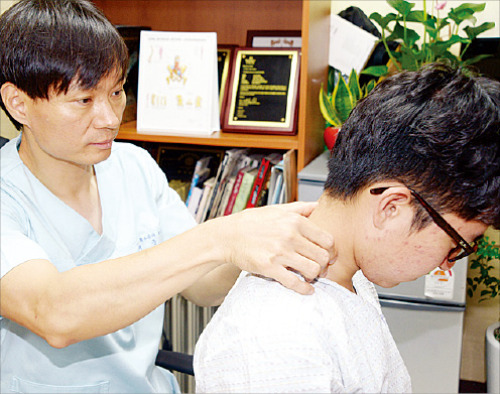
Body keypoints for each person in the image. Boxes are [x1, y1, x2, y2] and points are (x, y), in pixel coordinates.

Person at [0, 1, 335, 393]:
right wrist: (219, 237)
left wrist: (262, 246)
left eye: (117, 91)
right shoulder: (8, 197)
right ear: (18, 103)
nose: (110, 118)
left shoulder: (134, 167)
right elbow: (54, 313)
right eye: (84, 100)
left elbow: (203, 284)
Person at [194, 62, 500, 393]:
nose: (447, 263)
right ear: (392, 207)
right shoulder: (276, 338)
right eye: (457, 243)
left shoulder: (349, 272)